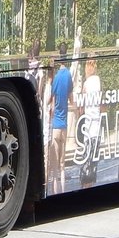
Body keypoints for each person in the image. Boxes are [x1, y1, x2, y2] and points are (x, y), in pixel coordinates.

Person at [46, 45, 73, 194]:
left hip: (55, 125)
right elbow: (71, 99)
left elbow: (49, 100)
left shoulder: (56, 78)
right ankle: (64, 192)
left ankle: (56, 195)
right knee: (63, 166)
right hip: (64, 125)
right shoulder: (68, 76)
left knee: (55, 169)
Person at [77, 57, 102, 188]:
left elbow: (80, 107)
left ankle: (85, 186)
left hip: (88, 127)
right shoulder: (98, 81)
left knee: (86, 160)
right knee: (94, 162)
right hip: (97, 126)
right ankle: (92, 185)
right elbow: (102, 102)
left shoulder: (86, 83)